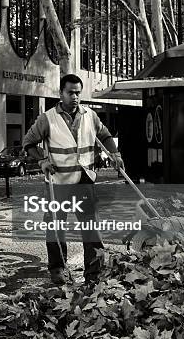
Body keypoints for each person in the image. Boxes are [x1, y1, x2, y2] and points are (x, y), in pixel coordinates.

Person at [23, 74, 124, 286]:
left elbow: (105, 136)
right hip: (58, 182)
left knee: (91, 228)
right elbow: (28, 143)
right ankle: (58, 269)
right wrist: (42, 160)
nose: (75, 96)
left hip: (85, 180)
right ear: (61, 93)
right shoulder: (47, 118)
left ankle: (94, 273)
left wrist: (115, 155)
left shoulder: (90, 116)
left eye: (78, 92)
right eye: (70, 92)